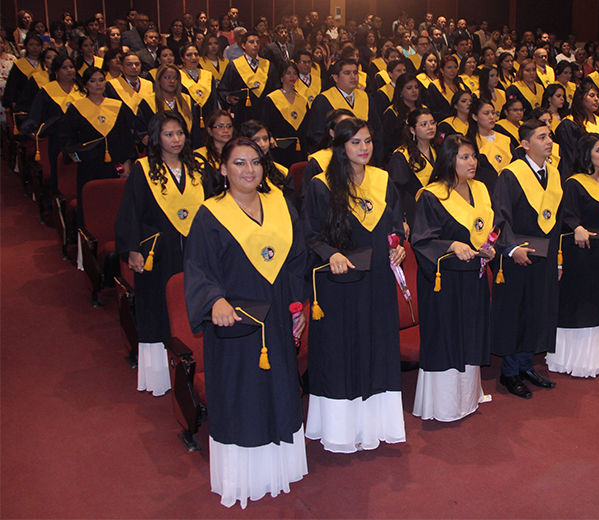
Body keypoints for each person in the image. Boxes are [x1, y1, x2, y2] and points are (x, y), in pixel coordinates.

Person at [184, 136, 308, 508]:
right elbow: (197, 268)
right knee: (242, 393)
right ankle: (244, 477)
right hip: (235, 322)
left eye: (255, 162)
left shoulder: (281, 204)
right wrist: (214, 300)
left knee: (280, 385)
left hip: (277, 315)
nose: (249, 170)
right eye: (239, 163)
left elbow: (297, 259)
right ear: (222, 169)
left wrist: (299, 306)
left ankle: (280, 467)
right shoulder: (210, 214)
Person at [301, 117, 407, 453]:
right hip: (341, 281)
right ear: (341, 146)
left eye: (368, 141)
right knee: (342, 348)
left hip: (377, 278)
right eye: (356, 142)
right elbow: (311, 235)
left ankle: (376, 425)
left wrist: (398, 244)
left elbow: (394, 224)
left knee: (377, 344)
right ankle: (341, 429)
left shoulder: (383, 179)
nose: (364, 149)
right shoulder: (322, 185)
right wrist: (330, 253)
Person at [116, 111, 205, 397]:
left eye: (179, 133)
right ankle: (158, 376)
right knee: (157, 305)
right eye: (168, 134)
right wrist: (133, 249)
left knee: (190, 300)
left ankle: (194, 365)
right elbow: (131, 211)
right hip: (156, 249)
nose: (176, 139)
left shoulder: (197, 166)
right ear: (157, 137)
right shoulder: (143, 169)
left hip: (192, 247)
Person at [410, 134, 494, 420]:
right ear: (449, 160)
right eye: (464, 157)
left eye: (473, 156)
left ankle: (468, 398)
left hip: (473, 277)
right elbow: (421, 241)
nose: (472, 162)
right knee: (448, 336)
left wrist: (488, 249)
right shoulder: (432, 195)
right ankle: (445, 407)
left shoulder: (480, 188)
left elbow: (486, 229)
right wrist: (450, 245)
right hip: (444, 281)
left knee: (471, 333)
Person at [490, 119, 561, 399]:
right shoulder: (510, 174)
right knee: (516, 313)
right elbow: (500, 216)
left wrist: (558, 258)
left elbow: (555, 222)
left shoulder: (554, 174)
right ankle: (509, 372)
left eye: (549, 136)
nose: (548, 141)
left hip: (544, 254)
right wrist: (511, 248)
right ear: (525, 144)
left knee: (537, 310)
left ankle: (526, 364)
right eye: (541, 137)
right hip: (517, 256)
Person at [549, 133, 599, 373]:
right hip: (583, 253)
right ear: (586, 154)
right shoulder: (574, 182)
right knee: (584, 301)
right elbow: (566, 214)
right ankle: (577, 360)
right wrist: (577, 227)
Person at [60, 67, 137, 224]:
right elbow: (66, 136)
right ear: (86, 84)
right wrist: (73, 153)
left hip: (115, 164)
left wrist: (128, 161)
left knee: (116, 203)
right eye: (93, 81)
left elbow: (126, 137)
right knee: (92, 204)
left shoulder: (117, 106)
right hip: (89, 165)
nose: (98, 84)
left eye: (101, 80)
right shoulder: (77, 108)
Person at [21, 55, 83, 193]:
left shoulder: (82, 90)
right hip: (57, 140)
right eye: (64, 67)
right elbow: (36, 113)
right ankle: (58, 201)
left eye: (71, 67)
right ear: (56, 71)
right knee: (60, 172)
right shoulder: (47, 91)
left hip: (81, 138)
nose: (69, 70)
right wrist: (31, 129)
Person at [307, 58, 383, 162]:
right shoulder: (323, 100)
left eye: (355, 73)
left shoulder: (367, 98)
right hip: (336, 160)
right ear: (335, 78)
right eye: (347, 73)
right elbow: (318, 135)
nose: (353, 77)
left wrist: (377, 160)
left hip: (365, 157)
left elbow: (377, 132)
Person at [389, 108, 438, 227]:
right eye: (424, 124)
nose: (430, 127)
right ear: (412, 129)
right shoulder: (401, 155)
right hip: (414, 212)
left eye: (432, 123)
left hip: (438, 208)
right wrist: (401, 218)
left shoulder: (438, 150)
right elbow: (396, 191)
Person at [218, 31, 279, 124]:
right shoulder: (234, 66)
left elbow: (275, 88)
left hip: (264, 112)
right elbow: (223, 88)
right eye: (251, 42)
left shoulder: (268, 65)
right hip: (243, 112)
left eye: (257, 42)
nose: (255, 45)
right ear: (243, 45)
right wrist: (228, 98)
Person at [555, 83, 599, 179]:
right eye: (591, 95)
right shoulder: (570, 123)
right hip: (583, 174)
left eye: (598, 96)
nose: (596, 99)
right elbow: (570, 158)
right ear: (580, 98)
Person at [262, 61, 310, 167]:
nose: (292, 76)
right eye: (288, 73)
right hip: (280, 147)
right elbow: (266, 122)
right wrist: (270, 137)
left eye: (294, 73)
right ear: (281, 76)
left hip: (300, 147)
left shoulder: (302, 99)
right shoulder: (272, 98)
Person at [135, 64, 196, 147]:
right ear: (159, 80)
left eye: (175, 78)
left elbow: (196, 131)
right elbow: (141, 129)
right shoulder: (148, 102)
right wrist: (145, 137)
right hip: (158, 151)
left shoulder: (187, 99)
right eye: (167, 77)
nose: (172, 81)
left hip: (184, 149)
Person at [466, 97, 514, 192]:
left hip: (511, 187)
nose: (492, 117)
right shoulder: (469, 143)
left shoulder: (506, 139)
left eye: (493, 113)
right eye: (486, 113)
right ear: (475, 117)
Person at [178, 43, 215, 147]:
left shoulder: (207, 75)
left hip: (207, 116)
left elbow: (213, 99)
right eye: (189, 55)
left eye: (196, 54)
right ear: (182, 58)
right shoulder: (178, 76)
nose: (193, 57)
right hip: (188, 118)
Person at [194, 109, 234, 194]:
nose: (226, 130)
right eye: (220, 126)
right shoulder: (199, 156)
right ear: (209, 131)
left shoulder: (236, 153)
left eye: (229, 126)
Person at [424, 55, 466, 122]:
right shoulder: (434, 86)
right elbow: (433, 110)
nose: (453, 70)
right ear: (442, 70)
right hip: (443, 124)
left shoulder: (461, 86)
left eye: (455, 67)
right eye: (449, 67)